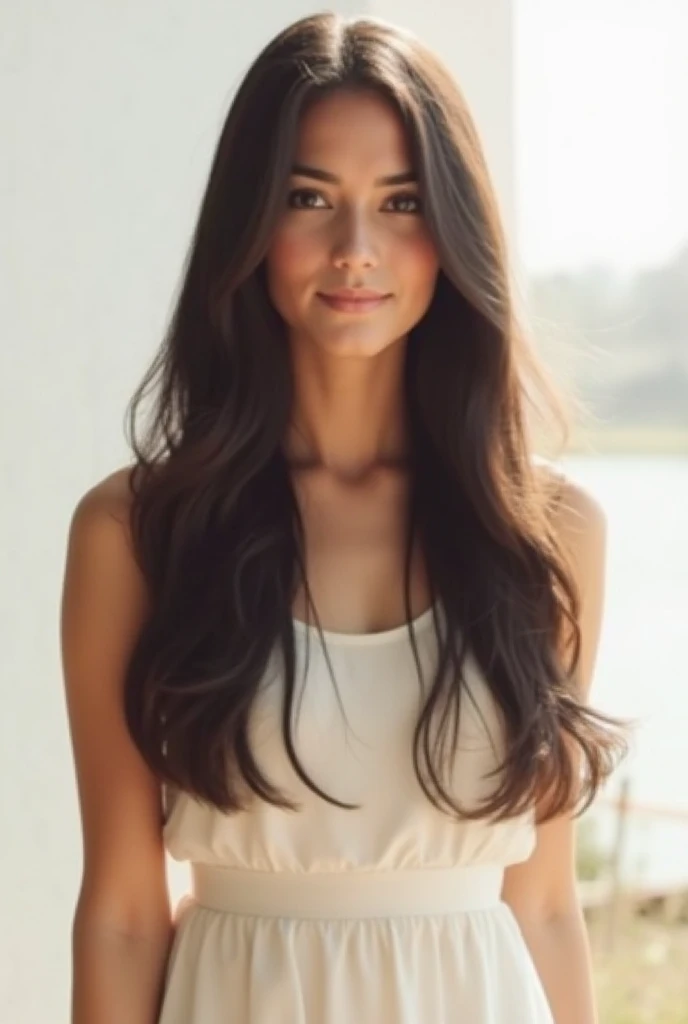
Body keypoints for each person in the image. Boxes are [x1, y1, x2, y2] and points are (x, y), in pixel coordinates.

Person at [60, 11, 631, 1024]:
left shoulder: (547, 533)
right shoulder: (140, 532)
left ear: (453, 228)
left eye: (401, 201)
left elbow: (541, 904)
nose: (356, 249)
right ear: (249, 223)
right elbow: (122, 912)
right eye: (308, 198)